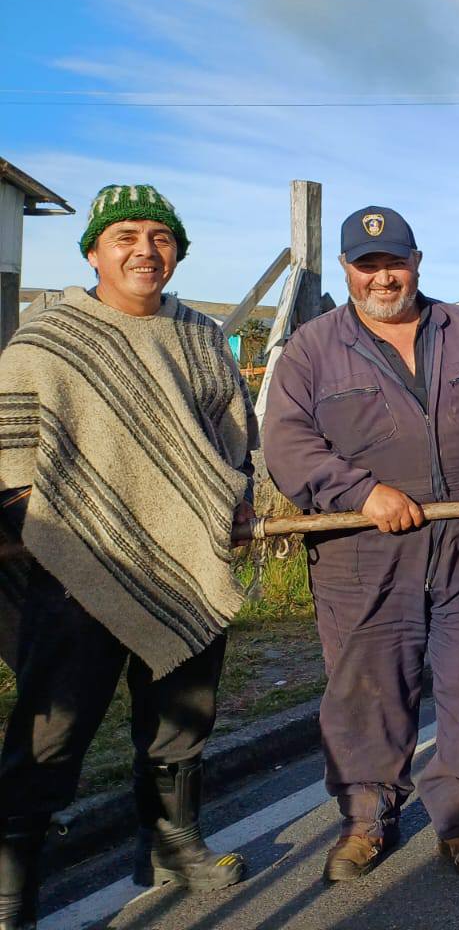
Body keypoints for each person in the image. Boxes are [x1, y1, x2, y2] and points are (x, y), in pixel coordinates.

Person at [0, 185, 255, 927]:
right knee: (51, 733)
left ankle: (171, 846)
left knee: (182, 720)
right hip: (75, 568)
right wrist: (61, 536)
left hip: (188, 561)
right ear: (94, 251)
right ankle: (12, 892)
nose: (145, 250)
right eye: (126, 237)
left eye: (160, 238)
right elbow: (10, 459)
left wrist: (233, 497)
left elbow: (233, 436)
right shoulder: (48, 343)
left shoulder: (203, 338)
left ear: (176, 251)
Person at [263, 207, 459, 882]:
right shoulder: (311, 350)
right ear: (346, 269)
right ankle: (366, 821)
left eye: (393, 262)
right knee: (367, 692)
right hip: (360, 552)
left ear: (418, 260)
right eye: (366, 265)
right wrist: (360, 493)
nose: (382, 277)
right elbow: (286, 446)